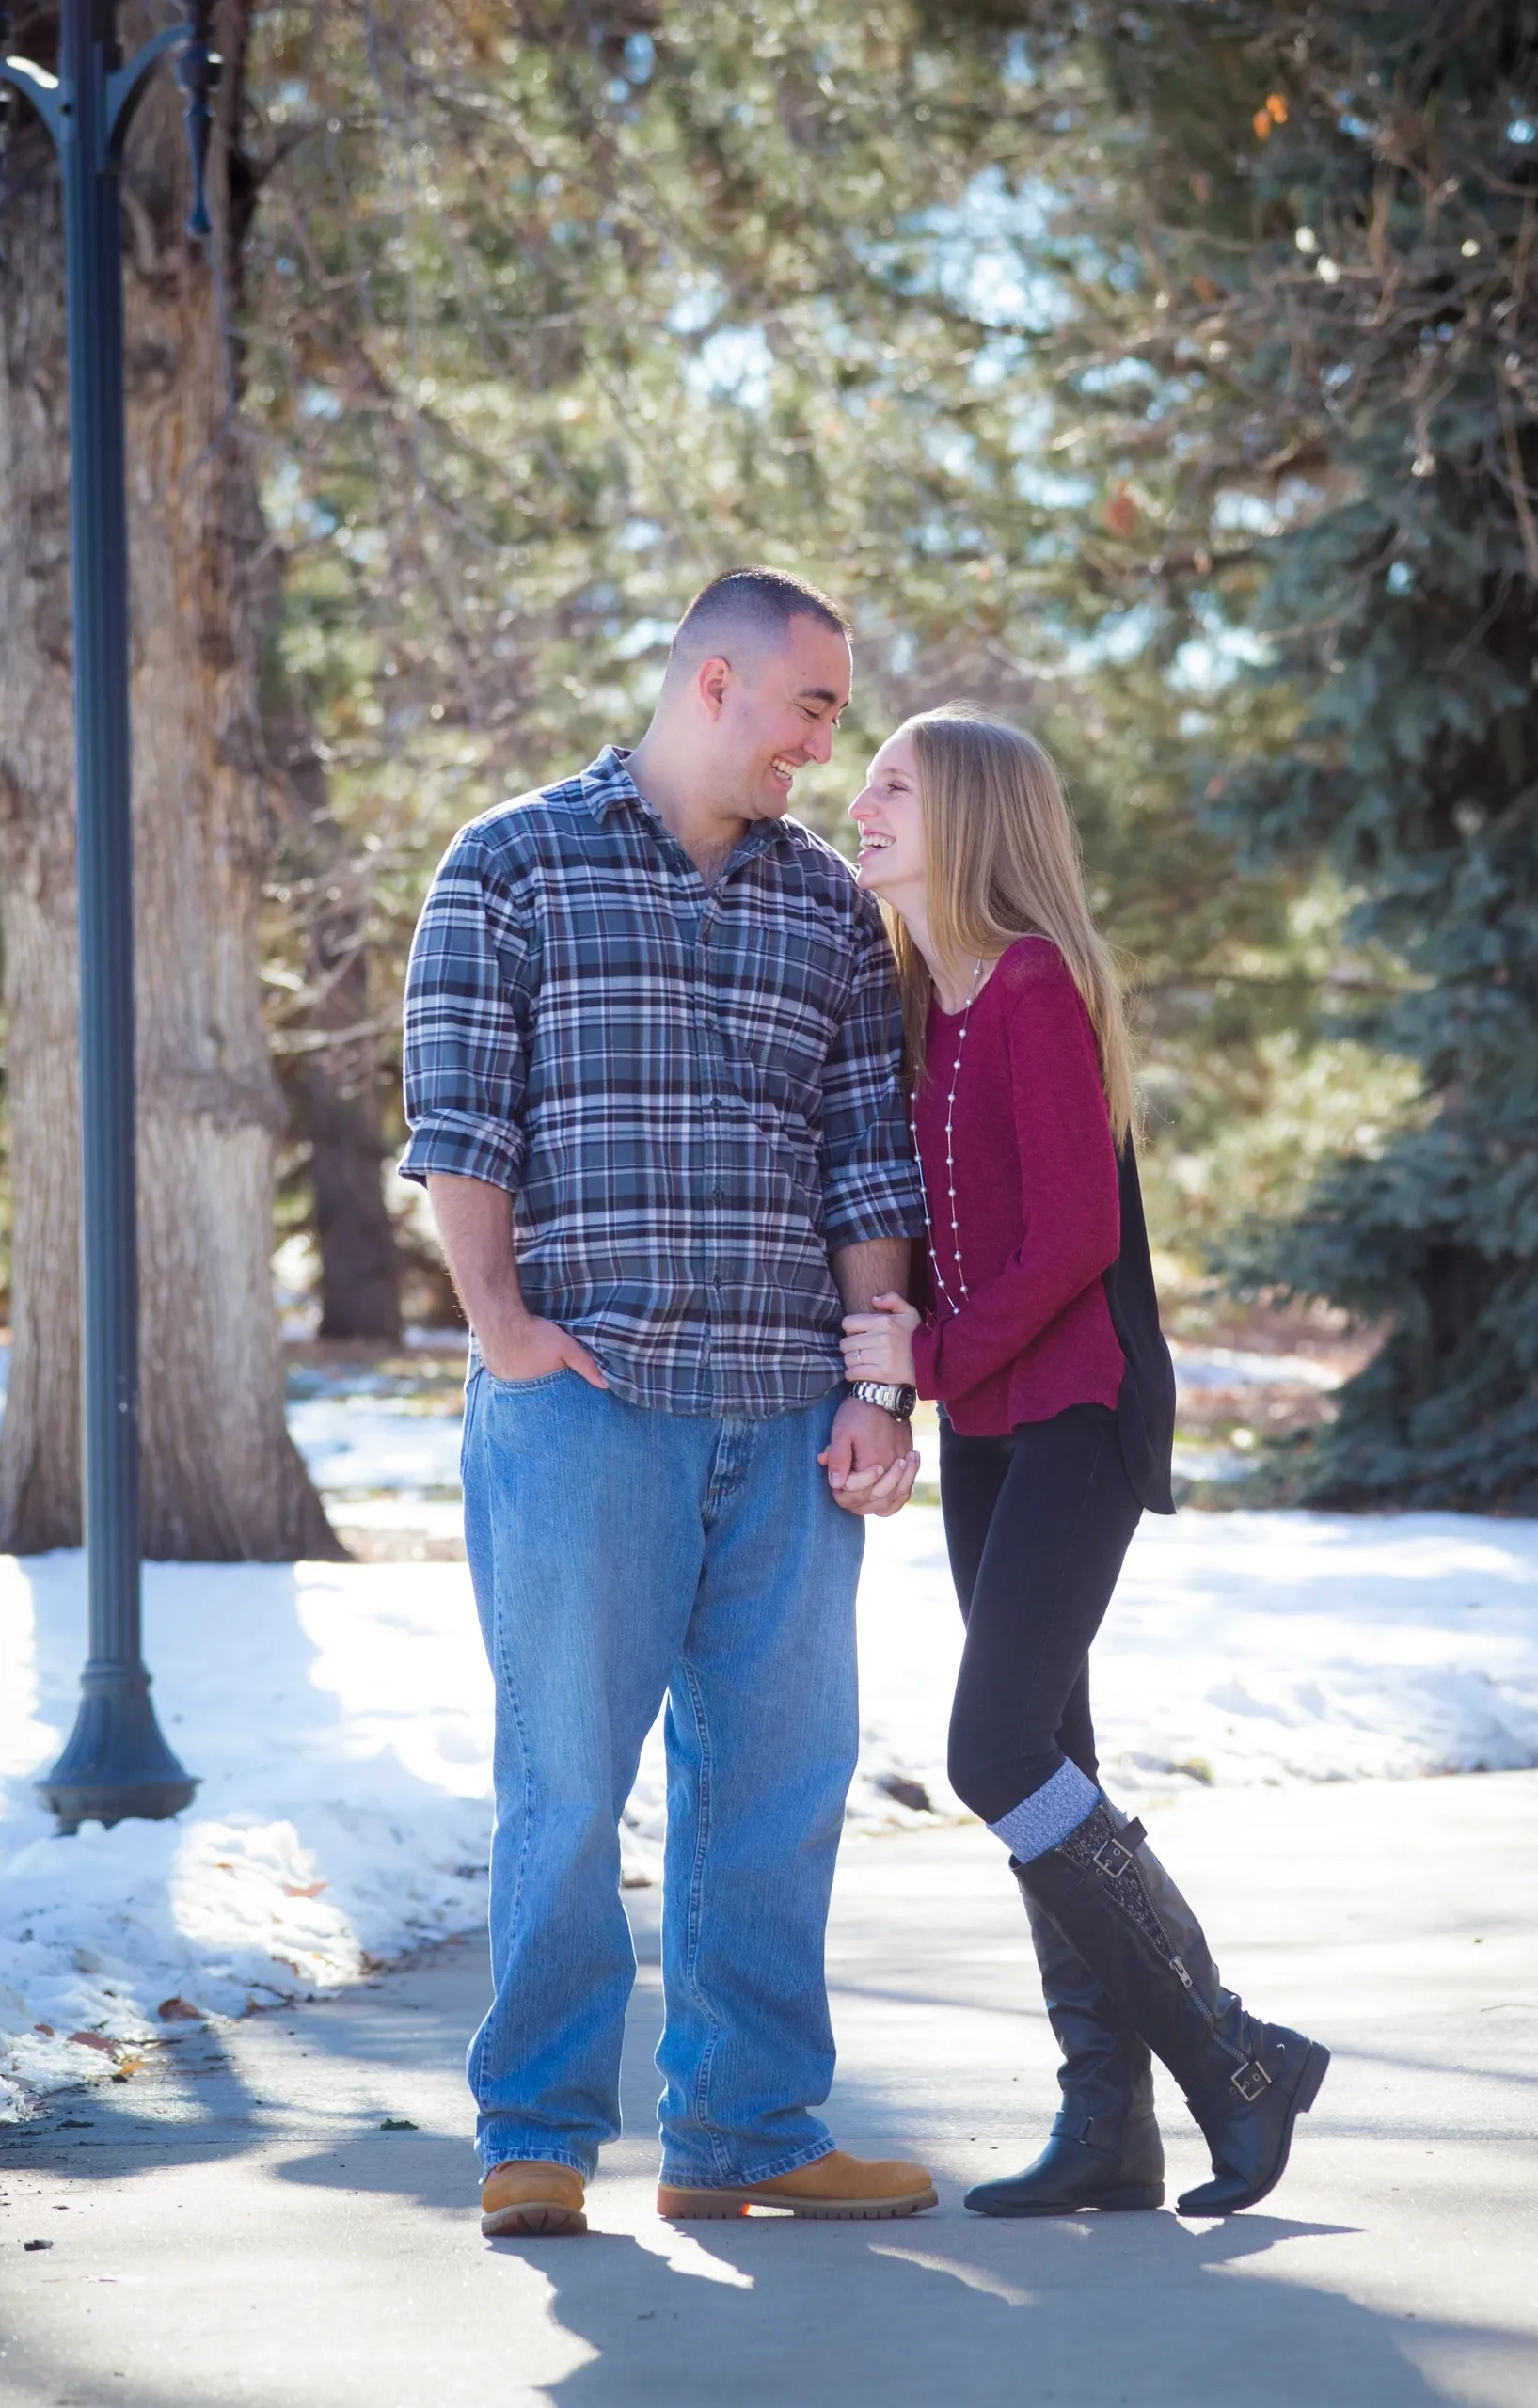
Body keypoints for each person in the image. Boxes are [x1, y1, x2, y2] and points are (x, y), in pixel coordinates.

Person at [401, 567, 938, 2237]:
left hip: (787, 1418)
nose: (824, 750)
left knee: (776, 1789)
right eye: (811, 710)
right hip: (586, 1403)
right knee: (564, 1776)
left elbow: (866, 1158)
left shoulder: (828, 912)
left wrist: (876, 1385)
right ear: (714, 682)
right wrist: (499, 1327)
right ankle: (537, 2135)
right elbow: (457, 1119)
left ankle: (747, 2132)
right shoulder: (509, 863)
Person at [841, 706, 1330, 2219]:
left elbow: (1073, 1242)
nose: (858, 800)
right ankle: (1105, 2126)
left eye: (893, 785)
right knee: (1056, 1766)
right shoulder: (939, 999)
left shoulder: (1037, 986)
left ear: (973, 817)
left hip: (1073, 1422)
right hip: (996, 1435)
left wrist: (917, 1362)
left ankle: (1234, 2059)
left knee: (994, 1757)